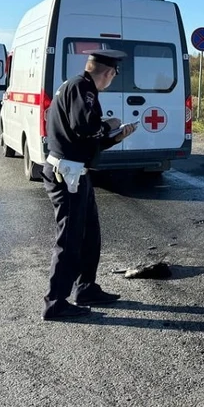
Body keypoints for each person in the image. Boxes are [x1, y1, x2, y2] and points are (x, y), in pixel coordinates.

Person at [42, 49, 138, 320]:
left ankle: (86, 288)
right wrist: (110, 124)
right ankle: (55, 303)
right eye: (113, 75)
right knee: (70, 240)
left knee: (90, 235)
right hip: (67, 174)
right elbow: (86, 127)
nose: (112, 80)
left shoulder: (76, 88)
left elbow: (84, 139)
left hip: (77, 172)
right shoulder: (82, 89)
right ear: (108, 73)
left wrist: (116, 137)